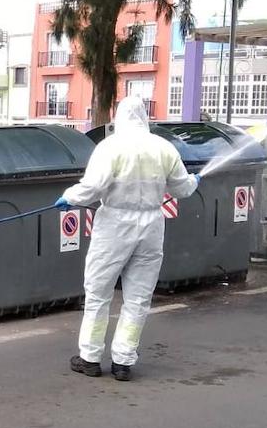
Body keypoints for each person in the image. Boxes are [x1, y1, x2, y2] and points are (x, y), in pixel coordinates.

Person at [52, 96, 198, 381]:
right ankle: (123, 362)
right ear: (144, 117)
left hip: (115, 225)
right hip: (152, 225)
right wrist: (194, 182)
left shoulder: (110, 147)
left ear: (118, 117)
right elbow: (182, 189)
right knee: (138, 298)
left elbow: (93, 187)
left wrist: (69, 197)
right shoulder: (164, 148)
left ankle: (90, 358)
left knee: (98, 293)